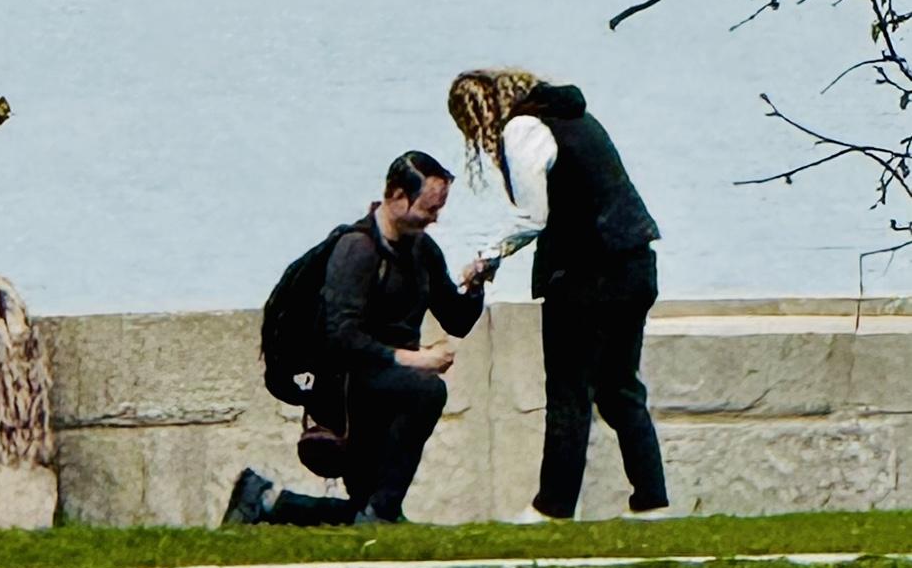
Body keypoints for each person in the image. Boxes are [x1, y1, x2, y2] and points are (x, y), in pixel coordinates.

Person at [222, 150, 492, 526]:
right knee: (428, 391)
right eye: (430, 208)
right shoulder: (356, 249)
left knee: (362, 509)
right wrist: (414, 360)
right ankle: (380, 512)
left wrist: (476, 284)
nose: (435, 218)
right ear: (397, 196)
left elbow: (457, 320)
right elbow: (341, 338)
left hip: (386, 382)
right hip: (347, 387)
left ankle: (265, 501)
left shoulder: (422, 250)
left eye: (439, 209)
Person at [447, 69, 668, 521]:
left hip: (586, 275)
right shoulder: (579, 120)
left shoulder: (524, 128)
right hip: (635, 263)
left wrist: (487, 258)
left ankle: (553, 507)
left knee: (569, 391)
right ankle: (651, 501)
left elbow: (533, 215)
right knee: (620, 389)